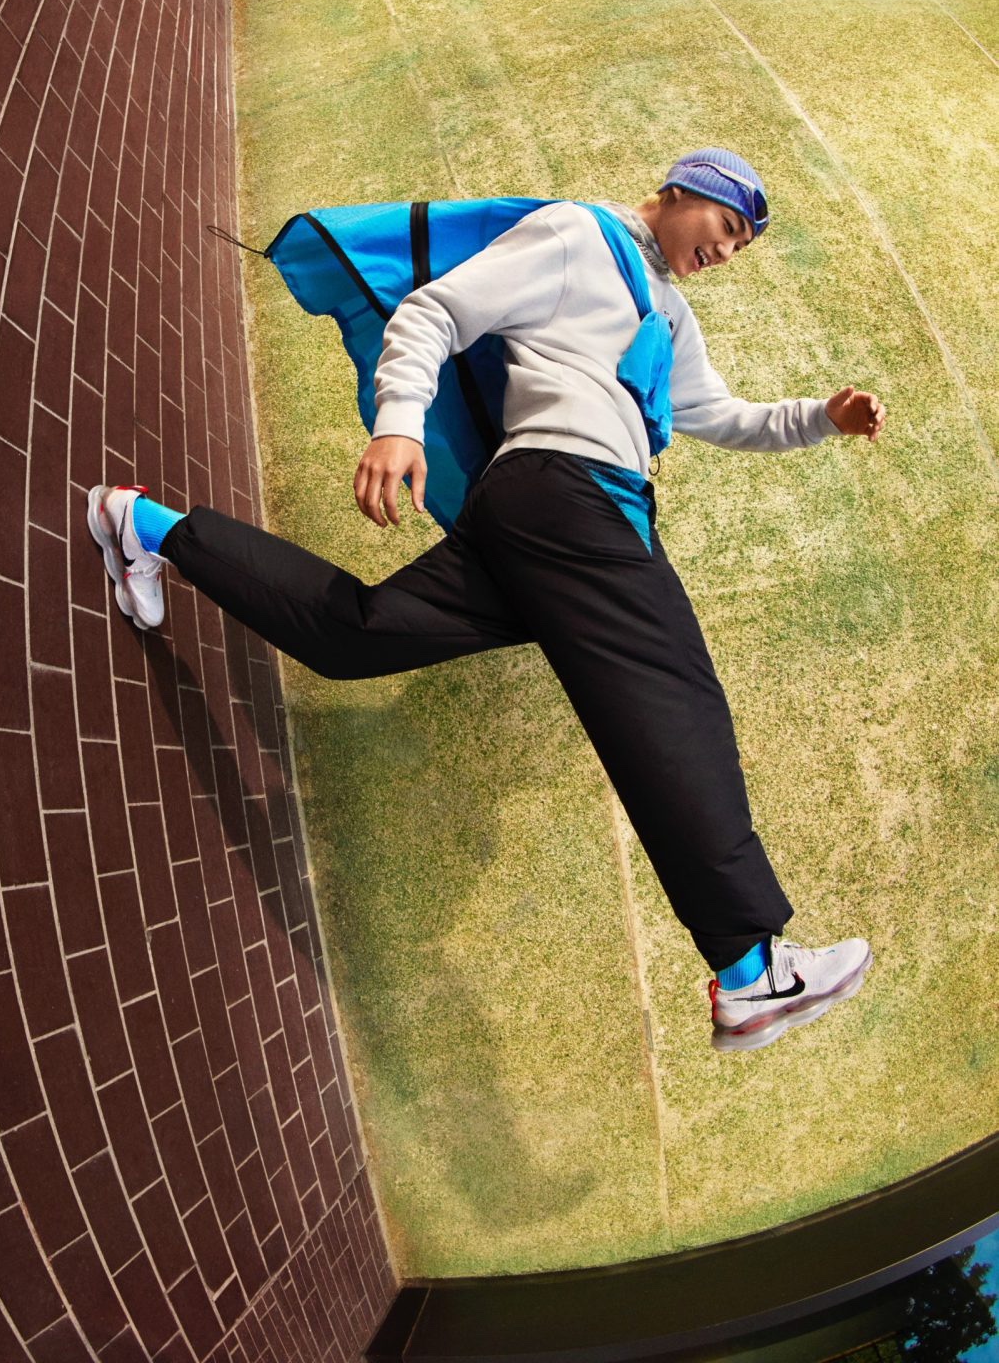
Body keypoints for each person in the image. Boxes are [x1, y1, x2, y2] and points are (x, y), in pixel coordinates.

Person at [88, 148, 886, 1052]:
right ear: (677, 192)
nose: (727, 251)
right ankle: (749, 969)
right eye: (726, 226)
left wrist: (820, 418)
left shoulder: (668, 313)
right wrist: (397, 421)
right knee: (672, 704)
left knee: (357, 636)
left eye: (742, 246)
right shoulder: (577, 235)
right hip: (573, 495)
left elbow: (717, 413)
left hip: (546, 511)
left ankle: (138, 523)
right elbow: (437, 309)